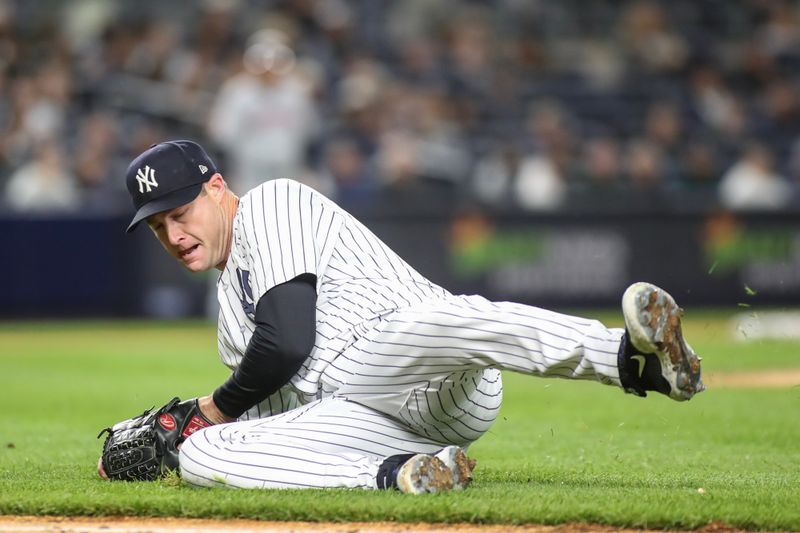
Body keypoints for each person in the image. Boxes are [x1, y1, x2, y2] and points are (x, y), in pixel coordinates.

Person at [99, 140, 705, 493]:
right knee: (207, 460)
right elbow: (279, 408)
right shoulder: (230, 321)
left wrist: (203, 412)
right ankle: (402, 475)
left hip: (419, 364)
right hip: (365, 417)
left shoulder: (269, 203)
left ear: (216, 188)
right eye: (157, 226)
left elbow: (286, 340)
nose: (172, 234)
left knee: (452, 319)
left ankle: (635, 361)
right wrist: (191, 440)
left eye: (179, 213)